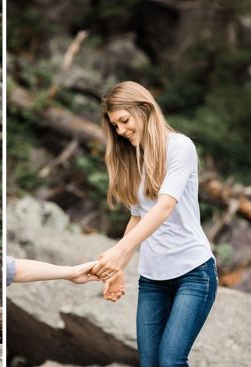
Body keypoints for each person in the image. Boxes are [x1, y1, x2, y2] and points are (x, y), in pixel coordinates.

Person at [92, 81, 217, 367]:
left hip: (193, 273)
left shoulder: (180, 146)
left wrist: (119, 251)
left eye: (124, 121)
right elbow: (138, 216)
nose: (121, 131)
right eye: (115, 126)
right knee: (149, 363)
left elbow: (163, 207)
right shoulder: (135, 158)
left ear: (145, 109)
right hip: (152, 280)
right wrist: (117, 268)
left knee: (171, 360)